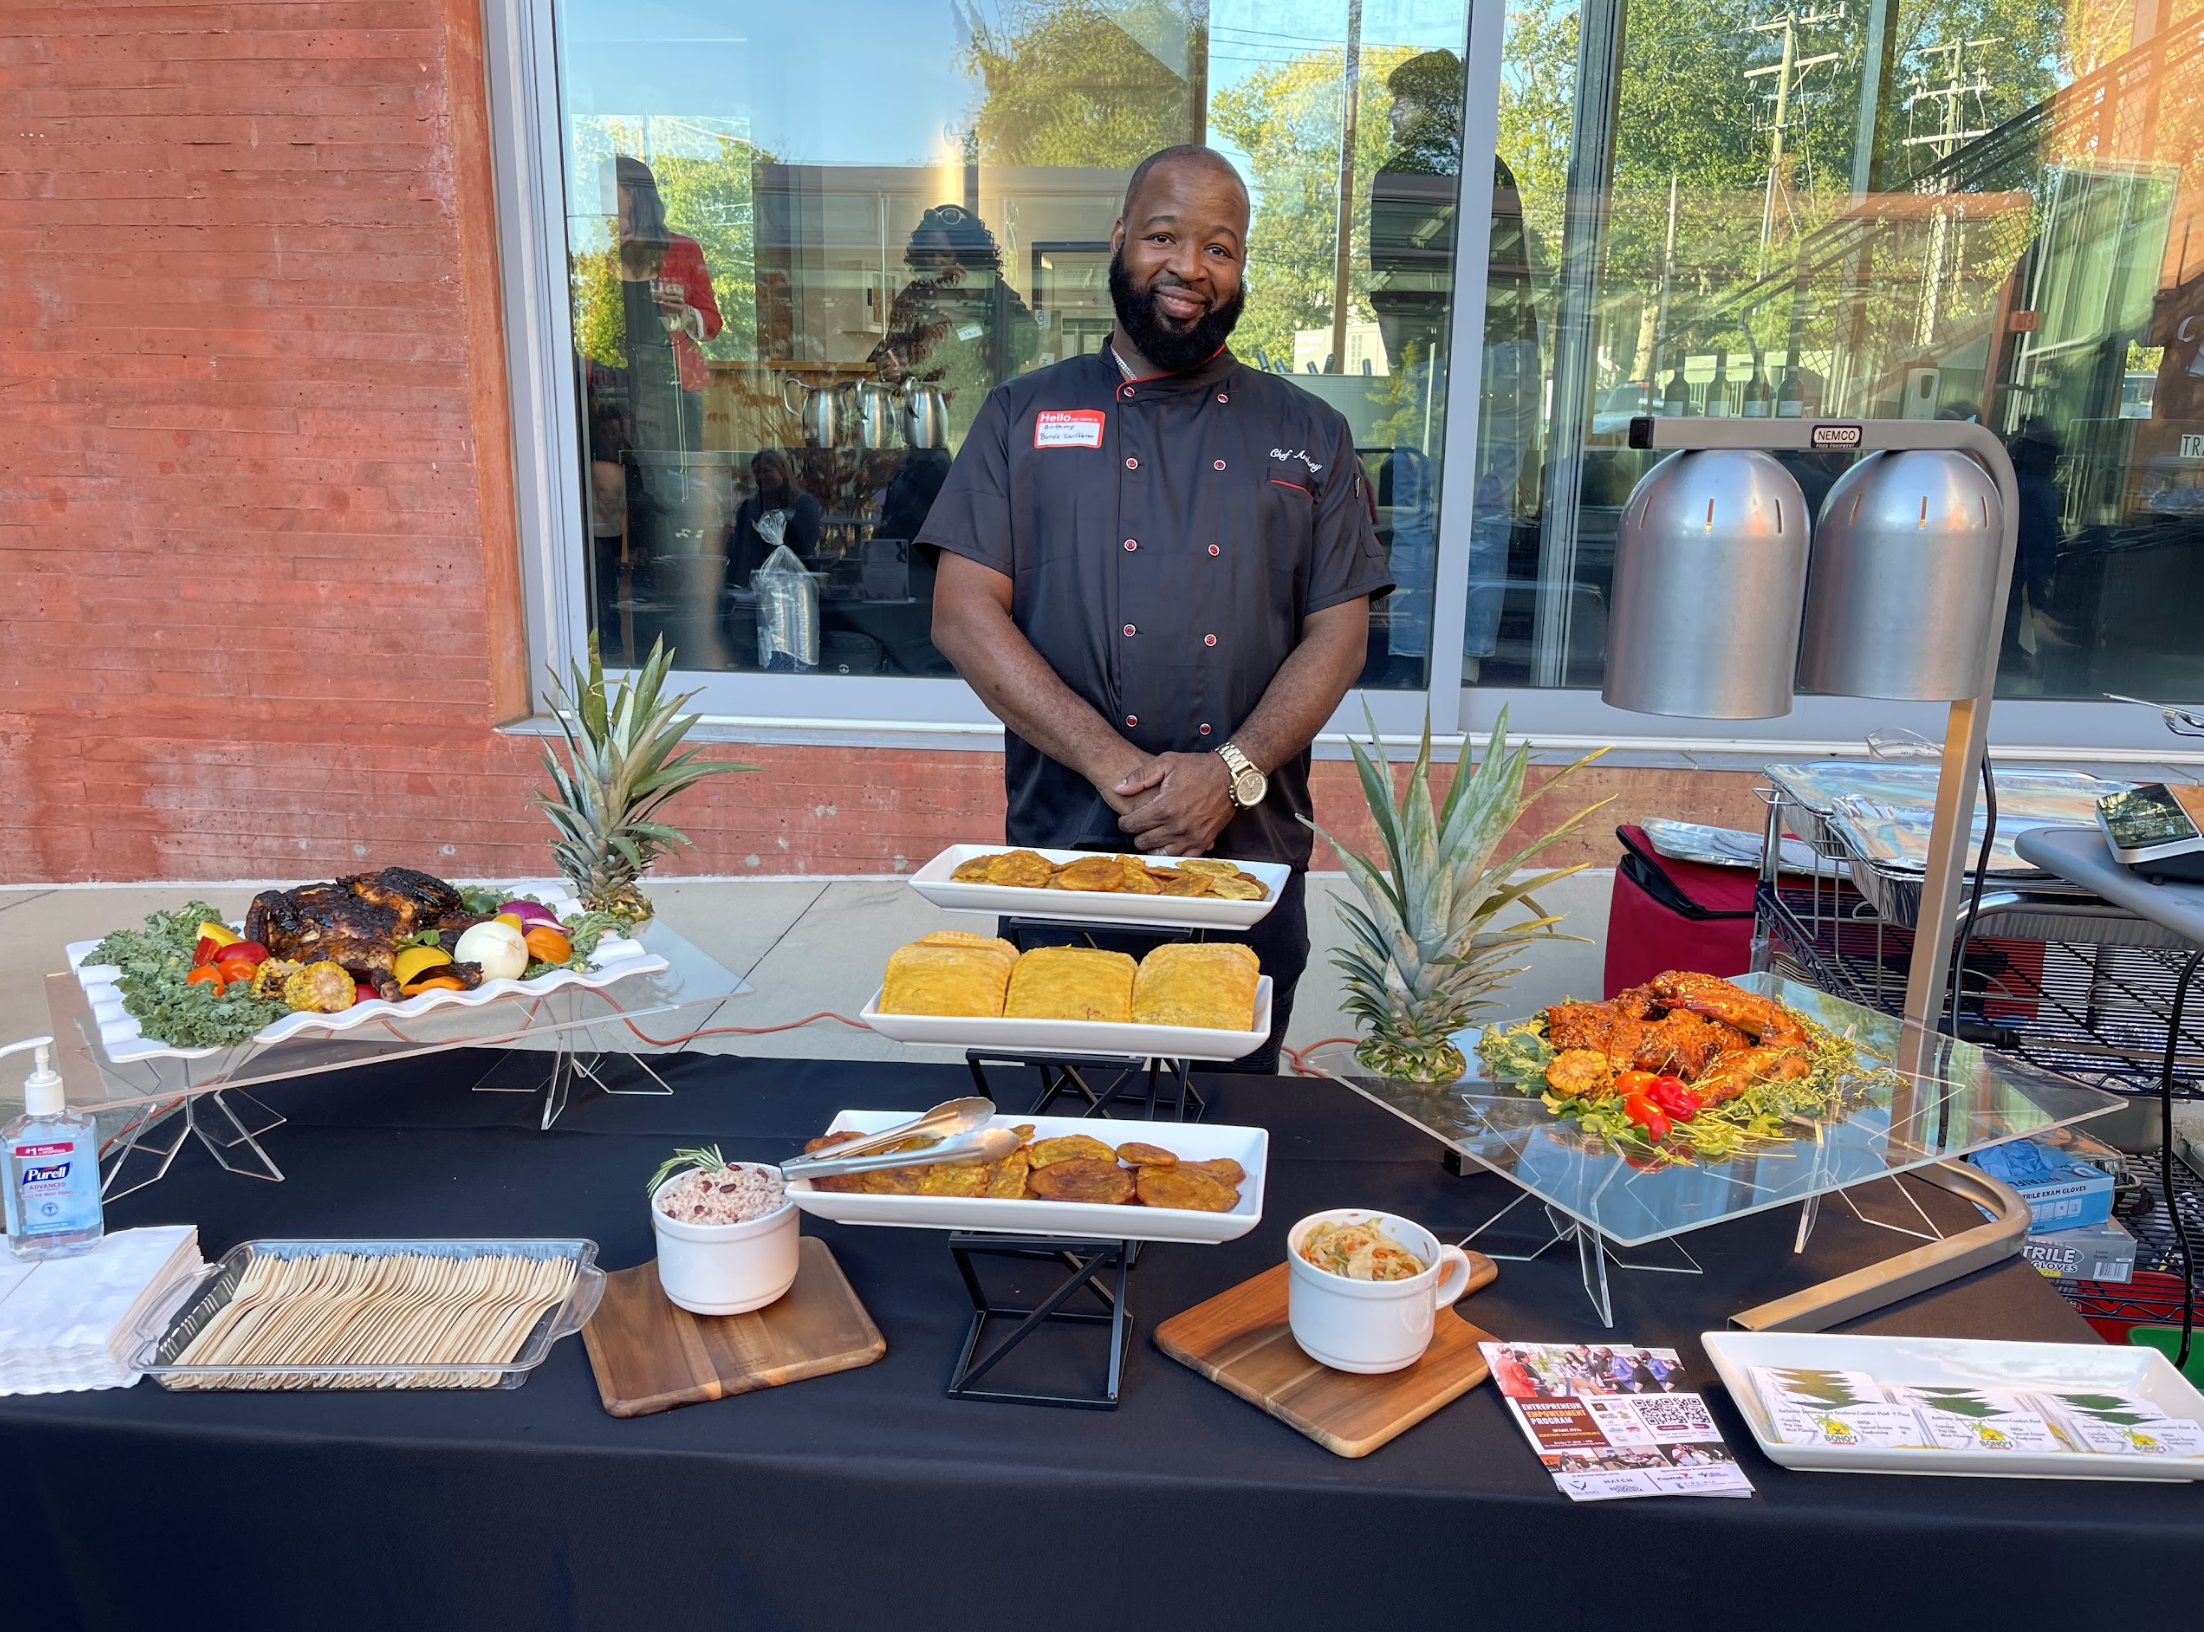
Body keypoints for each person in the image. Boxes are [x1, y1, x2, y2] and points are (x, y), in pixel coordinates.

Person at [922, 146, 1393, 1073]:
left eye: (1220, 247)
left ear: (1243, 267)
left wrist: (1229, 771)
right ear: (1120, 241)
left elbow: (1339, 633)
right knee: (1060, 1144)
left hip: (1245, 856)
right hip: (1065, 853)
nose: (1189, 267)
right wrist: (1122, 770)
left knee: (1224, 1133)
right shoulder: (1023, 414)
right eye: (1165, 236)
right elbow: (963, 614)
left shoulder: (1310, 433)